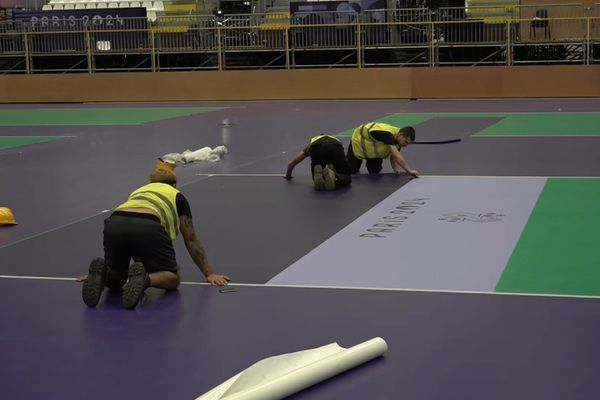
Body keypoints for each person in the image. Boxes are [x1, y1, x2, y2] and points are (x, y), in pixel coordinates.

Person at [81, 168, 230, 309]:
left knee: (118, 279)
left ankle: (103, 274)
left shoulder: (139, 191)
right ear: (174, 185)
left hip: (114, 222)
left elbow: (131, 233)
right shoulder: (176, 195)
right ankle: (145, 279)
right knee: (173, 279)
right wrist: (209, 273)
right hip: (148, 225)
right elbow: (190, 239)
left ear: (151, 183)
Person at [346, 122, 419, 177]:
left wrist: (395, 169)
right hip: (359, 143)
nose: (406, 145)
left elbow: (394, 156)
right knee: (350, 172)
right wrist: (409, 171)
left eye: (408, 143)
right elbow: (396, 155)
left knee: (375, 172)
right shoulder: (387, 135)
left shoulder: (398, 138)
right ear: (401, 135)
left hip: (373, 152)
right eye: (406, 142)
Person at [285, 134, 352, 191]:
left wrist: (288, 176)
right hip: (335, 146)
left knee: (318, 170)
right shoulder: (334, 139)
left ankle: (318, 177)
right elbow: (345, 163)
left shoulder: (312, 143)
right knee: (345, 175)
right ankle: (334, 176)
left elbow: (291, 164)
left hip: (316, 148)